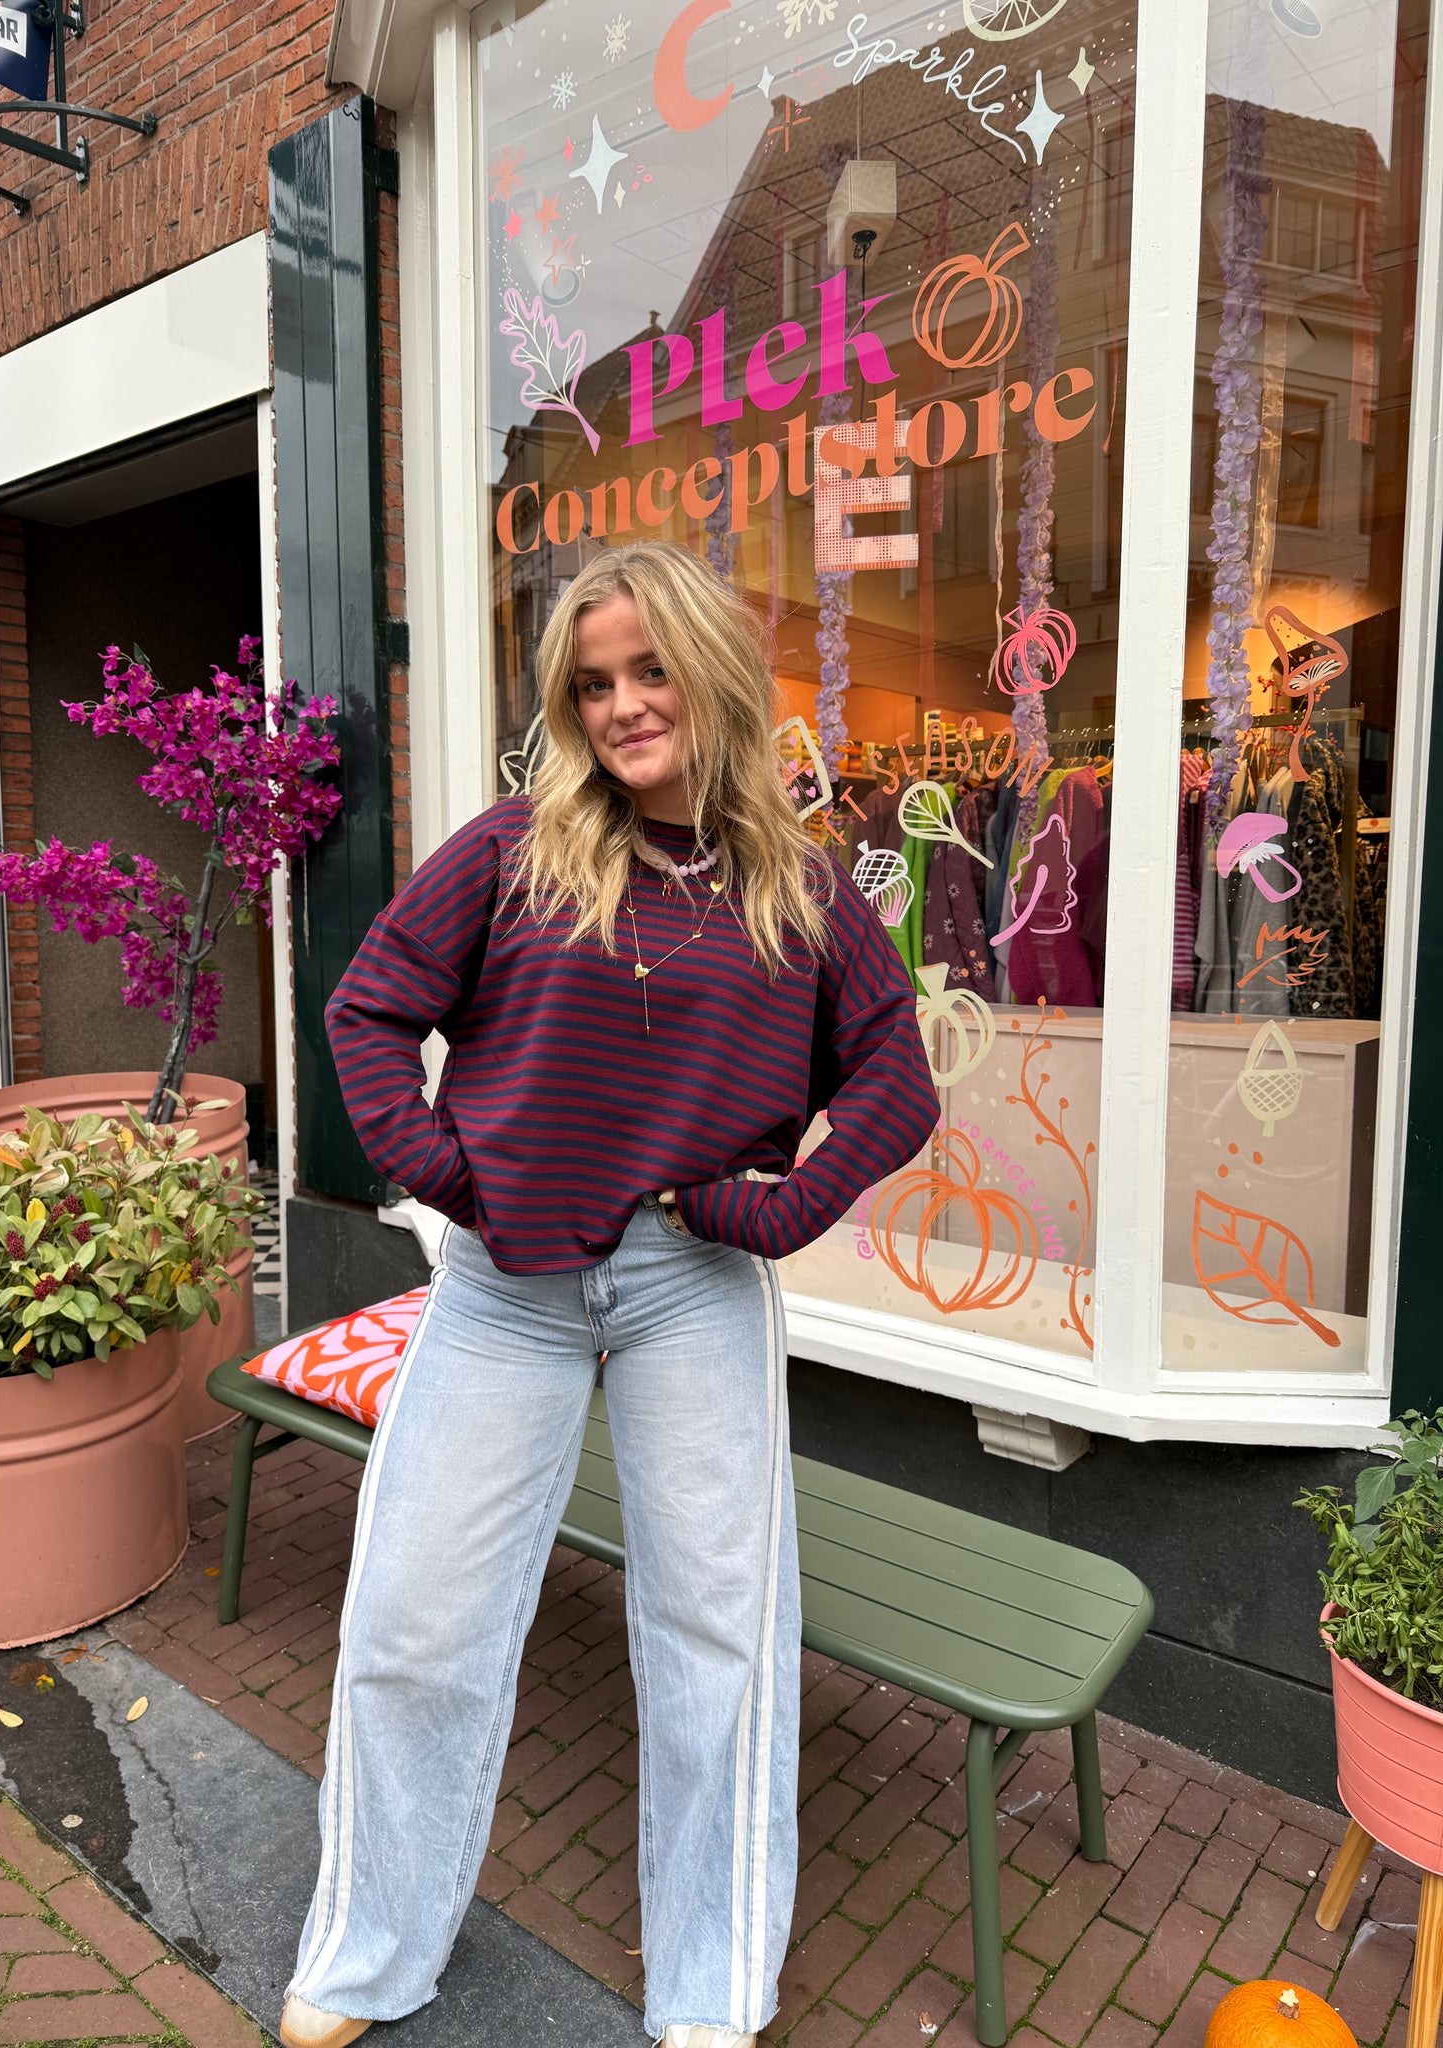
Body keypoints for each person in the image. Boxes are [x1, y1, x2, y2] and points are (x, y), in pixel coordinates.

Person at [280, 541, 939, 2048]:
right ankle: (367, 1952)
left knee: (718, 1638)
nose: (625, 705)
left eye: (650, 671)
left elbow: (898, 1082)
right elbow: (368, 1009)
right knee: (414, 1619)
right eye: (592, 684)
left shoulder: (800, 888)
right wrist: (443, 1175)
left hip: (691, 1288)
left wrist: (782, 1208)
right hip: (503, 1289)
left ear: (713, 671)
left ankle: (711, 1987)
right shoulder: (515, 849)